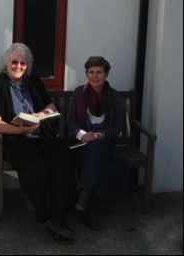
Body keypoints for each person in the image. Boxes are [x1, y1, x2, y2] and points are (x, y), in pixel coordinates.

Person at [0, 43, 77, 245]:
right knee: (36, 167)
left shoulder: (33, 81)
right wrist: (20, 129)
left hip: (41, 135)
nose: (18, 66)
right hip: (15, 140)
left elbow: (50, 106)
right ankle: (53, 217)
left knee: (63, 157)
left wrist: (40, 115)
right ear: (6, 63)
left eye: (23, 63)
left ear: (28, 65)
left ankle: (60, 210)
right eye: (14, 62)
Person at [66, 56, 128, 230]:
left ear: (106, 74)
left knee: (96, 149)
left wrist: (99, 135)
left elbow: (117, 126)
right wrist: (83, 134)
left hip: (103, 143)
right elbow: (70, 121)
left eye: (99, 72)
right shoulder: (79, 92)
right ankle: (90, 205)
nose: (95, 76)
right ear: (86, 74)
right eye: (91, 72)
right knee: (93, 151)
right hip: (81, 144)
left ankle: (86, 195)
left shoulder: (113, 95)